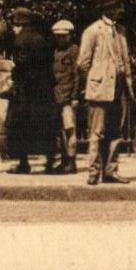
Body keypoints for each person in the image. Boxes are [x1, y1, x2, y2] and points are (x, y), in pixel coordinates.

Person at [77, 0, 133, 185]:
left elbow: (125, 61)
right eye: (118, 6)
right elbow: (82, 63)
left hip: (119, 88)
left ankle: (111, 170)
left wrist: (127, 83)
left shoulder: (121, 31)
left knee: (116, 132)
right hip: (100, 89)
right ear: (109, 8)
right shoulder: (93, 31)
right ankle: (93, 172)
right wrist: (95, 80)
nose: (121, 9)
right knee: (97, 132)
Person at [4, 7, 57, 175]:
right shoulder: (41, 38)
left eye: (14, 24)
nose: (13, 28)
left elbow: (21, 65)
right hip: (43, 90)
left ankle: (23, 163)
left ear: (19, 23)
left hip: (25, 91)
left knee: (19, 126)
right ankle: (49, 162)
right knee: (44, 126)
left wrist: (13, 77)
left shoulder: (20, 40)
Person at [50, 18, 80, 173]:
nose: (60, 39)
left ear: (70, 36)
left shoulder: (74, 51)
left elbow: (77, 75)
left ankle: (71, 161)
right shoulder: (55, 51)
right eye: (58, 36)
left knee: (70, 130)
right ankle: (64, 159)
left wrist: (75, 96)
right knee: (59, 130)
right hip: (56, 96)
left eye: (63, 36)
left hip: (68, 96)